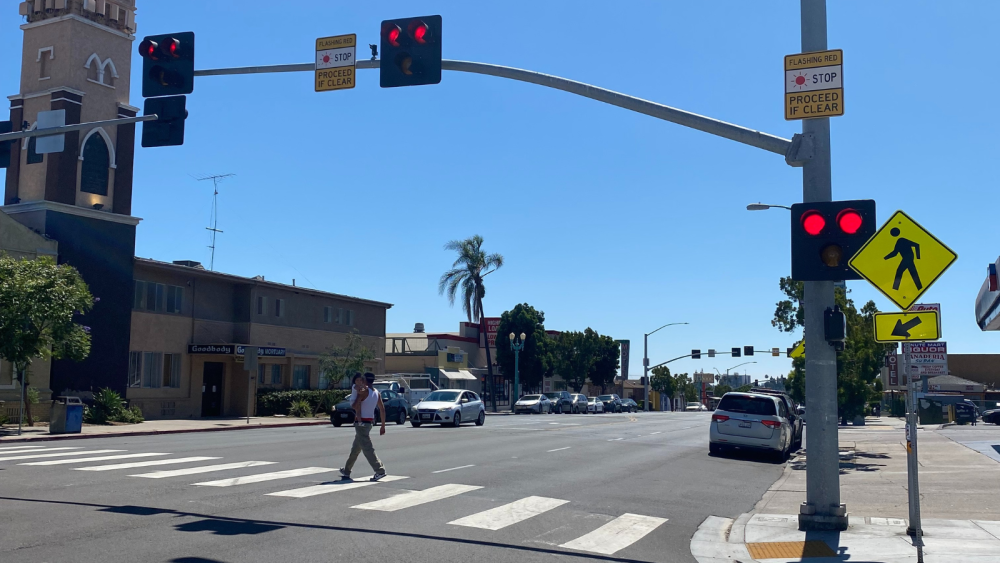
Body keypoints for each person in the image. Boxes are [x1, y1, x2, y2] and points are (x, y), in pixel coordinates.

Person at [340, 372, 387, 481]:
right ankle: (347, 471)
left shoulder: (364, 392)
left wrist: (358, 396)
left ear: (365, 380)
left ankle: (380, 470)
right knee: (356, 449)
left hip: (361, 424)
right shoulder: (377, 393)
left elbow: (355, 406)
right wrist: (383, 426)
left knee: (367, 448)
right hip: (369, 423)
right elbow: (382, 409)